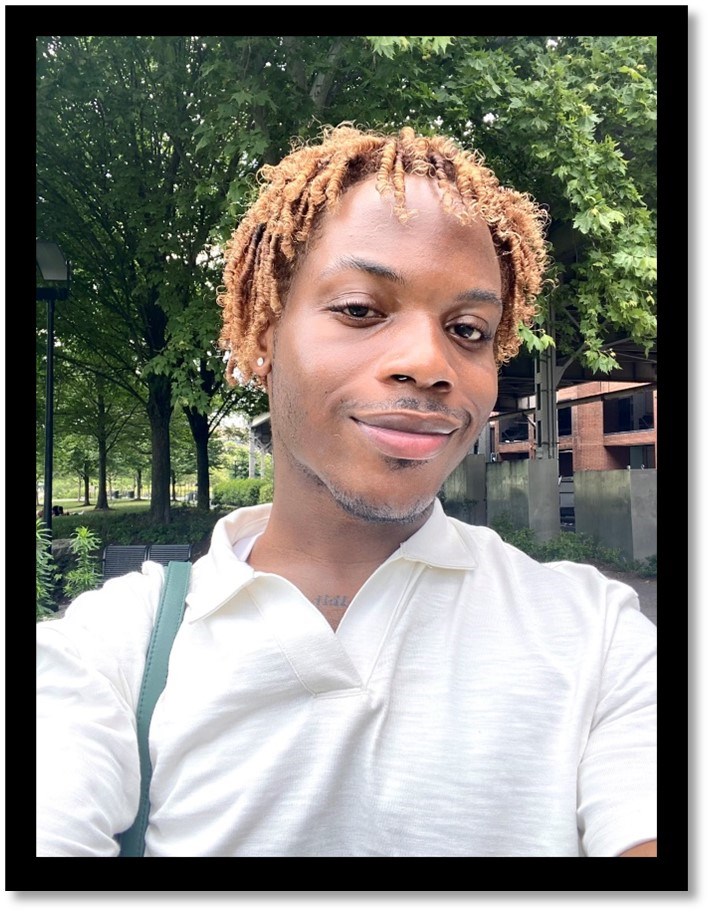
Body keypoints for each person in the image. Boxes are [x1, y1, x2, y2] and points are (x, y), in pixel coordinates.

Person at [36, 125, 656, 857]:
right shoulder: (113, 651)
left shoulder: (598, 636)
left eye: (467, 328)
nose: (428, 363)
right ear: (261, 338)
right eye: (360, 310)